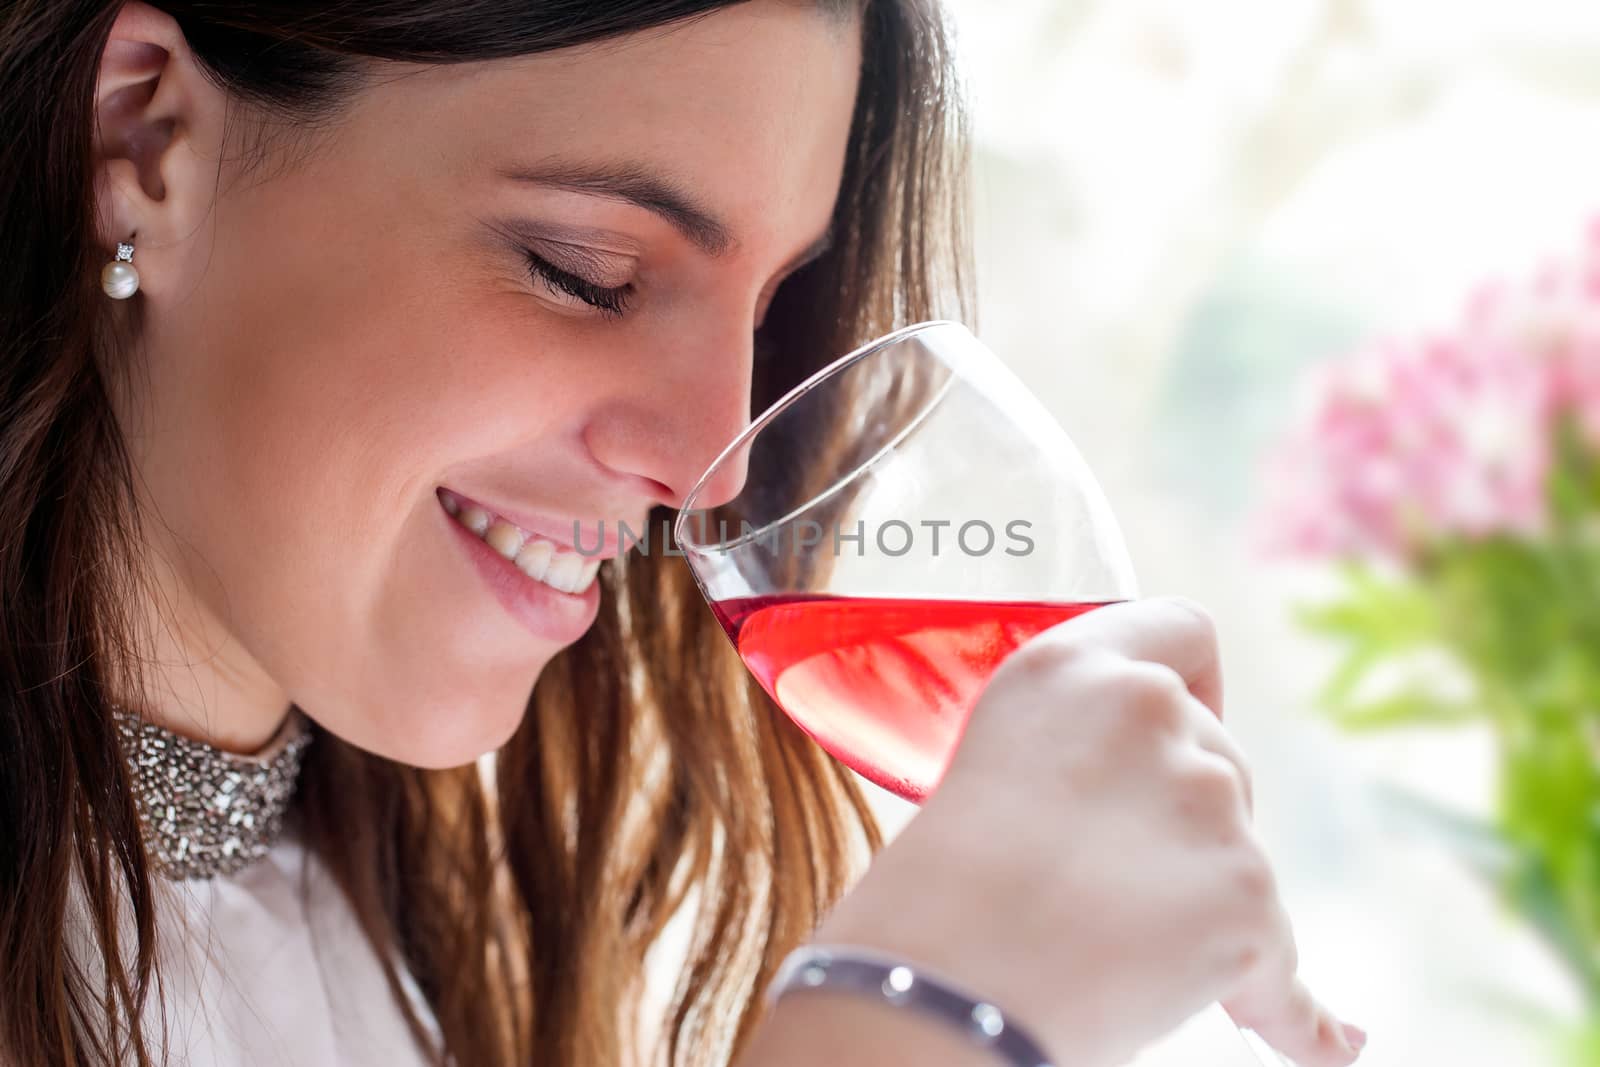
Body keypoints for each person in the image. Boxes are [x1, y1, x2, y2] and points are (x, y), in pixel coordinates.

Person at [0, 1, 1367, 1065]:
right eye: (585, 274)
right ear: (143, 141)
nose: (699, 464)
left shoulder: (415, 948)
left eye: (768, 310)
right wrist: (915, 1017)